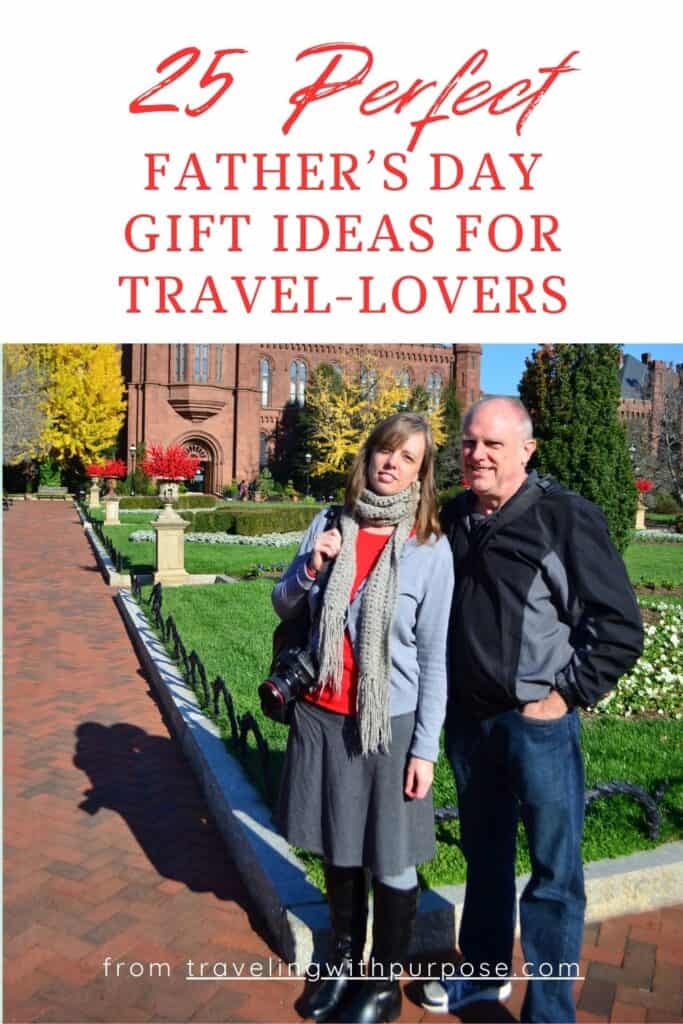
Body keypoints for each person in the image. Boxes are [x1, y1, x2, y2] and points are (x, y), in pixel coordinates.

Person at [421, 397, 644, 1023]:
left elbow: (620, 627)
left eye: (493, 444)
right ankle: (485, 973)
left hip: (536, 726)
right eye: (469, 443)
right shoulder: (455, 516)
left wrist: (564, 696)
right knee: (484, 855)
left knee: (553, 875)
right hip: (470, 725)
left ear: (526, 449)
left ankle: (548, 1011)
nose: (478, 455)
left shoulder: (563, 517)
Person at [272, 413, 453, 1024]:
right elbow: (282, 602)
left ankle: (381, 982)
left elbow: (434, 658)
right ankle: (345, 962)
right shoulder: (329, 524)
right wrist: (310, 569)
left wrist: (424, 748)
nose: (391, 463)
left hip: (389, 724)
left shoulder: (431, 549)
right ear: (368, 455)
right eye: (384, 450)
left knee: (392, 855)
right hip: (323, 715)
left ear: (421, 473)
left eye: (407, 458)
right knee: (338, 848)